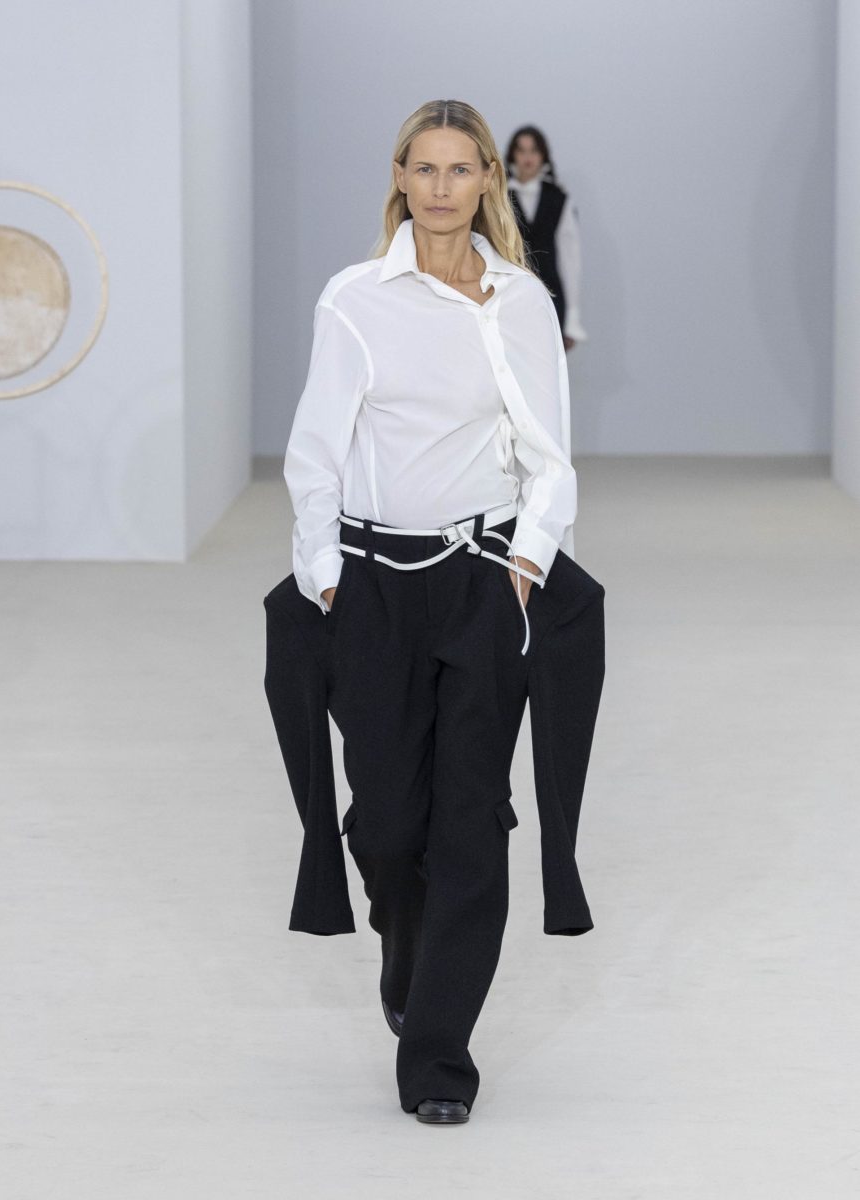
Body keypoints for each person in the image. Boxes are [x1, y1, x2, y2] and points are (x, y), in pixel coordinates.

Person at [282, 99, 604, 1124]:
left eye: (460, 169)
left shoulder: (521, 302)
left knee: (470, 820)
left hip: (480, 581)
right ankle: (406, 952)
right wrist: (328, 580)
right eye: (423, 168)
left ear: (486, 182)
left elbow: (550, 456)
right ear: (399, 177)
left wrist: (522, 571)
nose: (440, 187)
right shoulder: (354, 300)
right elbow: (314, 454)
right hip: (372, 587)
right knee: (386, 821)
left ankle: (437, 1057)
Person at [505, 125, 588, 353]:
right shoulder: (499, 198)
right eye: (521, 150)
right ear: (512, 155)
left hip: (550, 295)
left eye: (533, 150)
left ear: (543, 156)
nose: (527, 157)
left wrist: (572, 317)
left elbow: (570, 258)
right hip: (509, 295)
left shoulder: (558, 199)